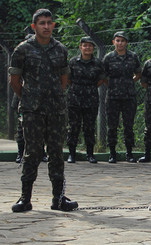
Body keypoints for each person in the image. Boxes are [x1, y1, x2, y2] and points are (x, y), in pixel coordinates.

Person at [8, 9, 78, 212]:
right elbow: (15, 80)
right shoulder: (23, 50)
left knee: (56, 153)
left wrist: (55, 95)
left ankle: (59, 198)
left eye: (49, 23)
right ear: (34, 26)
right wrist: (29, 98)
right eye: (41, 23)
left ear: (53, 25)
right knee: (32, 153)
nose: (46, 26)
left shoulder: (60, 49)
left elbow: (64, 78)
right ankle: (25, 198)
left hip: (56, 109)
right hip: (32, 110)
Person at [103, 31, 141, 163]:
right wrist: (113, 86)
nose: (120, 43)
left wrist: (129, 83)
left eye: (122, 41)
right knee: (112, 126)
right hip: (113, 97)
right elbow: (104, 77)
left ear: (126, 43)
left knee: (128, 126)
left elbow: (138, 73)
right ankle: (112, 154)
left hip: (129, 97)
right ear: (114, 42)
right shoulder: (108, 58)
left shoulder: (132, 56)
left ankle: (129, 153)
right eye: (117, 40)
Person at [66, 36, 106, 164]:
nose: (87, 48)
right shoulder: (73, 62)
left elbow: (100, 80)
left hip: (91, 99)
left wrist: (89, 88)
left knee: (89, 128)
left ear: (93, 48)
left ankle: (90, 154)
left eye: (90, 45)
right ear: (80, 47)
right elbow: (68, 79)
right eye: (85, 45)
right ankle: (72, 154)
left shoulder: (98, 63)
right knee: (73, 127)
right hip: (74, 99)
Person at [12, 33, 48, 164]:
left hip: (41, 98)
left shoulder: (42, 58)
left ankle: (42, 152)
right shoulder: (19, 57)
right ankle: (20, 153)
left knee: (42, 127)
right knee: (22, 127)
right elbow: (14, 80)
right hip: (24, 97)